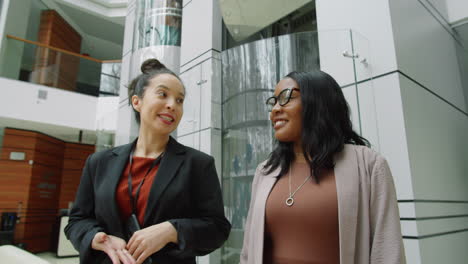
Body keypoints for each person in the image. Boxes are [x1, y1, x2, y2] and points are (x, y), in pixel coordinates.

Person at [65, 59, 231, 264]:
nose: (172, 105)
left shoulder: (198, 164)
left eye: (179, 100)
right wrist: (95, 237)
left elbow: (217, 229)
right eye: (163, 94)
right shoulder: (99, 162)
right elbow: (77, 221)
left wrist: (171, 230)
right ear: (137, 102)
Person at [240, 71, 405, 264]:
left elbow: (387, 250)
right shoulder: (265, 171)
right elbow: (248, 251)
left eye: (286, 98)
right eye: (273, 102)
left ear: (318, 102)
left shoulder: (369, 164)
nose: (275, 109)